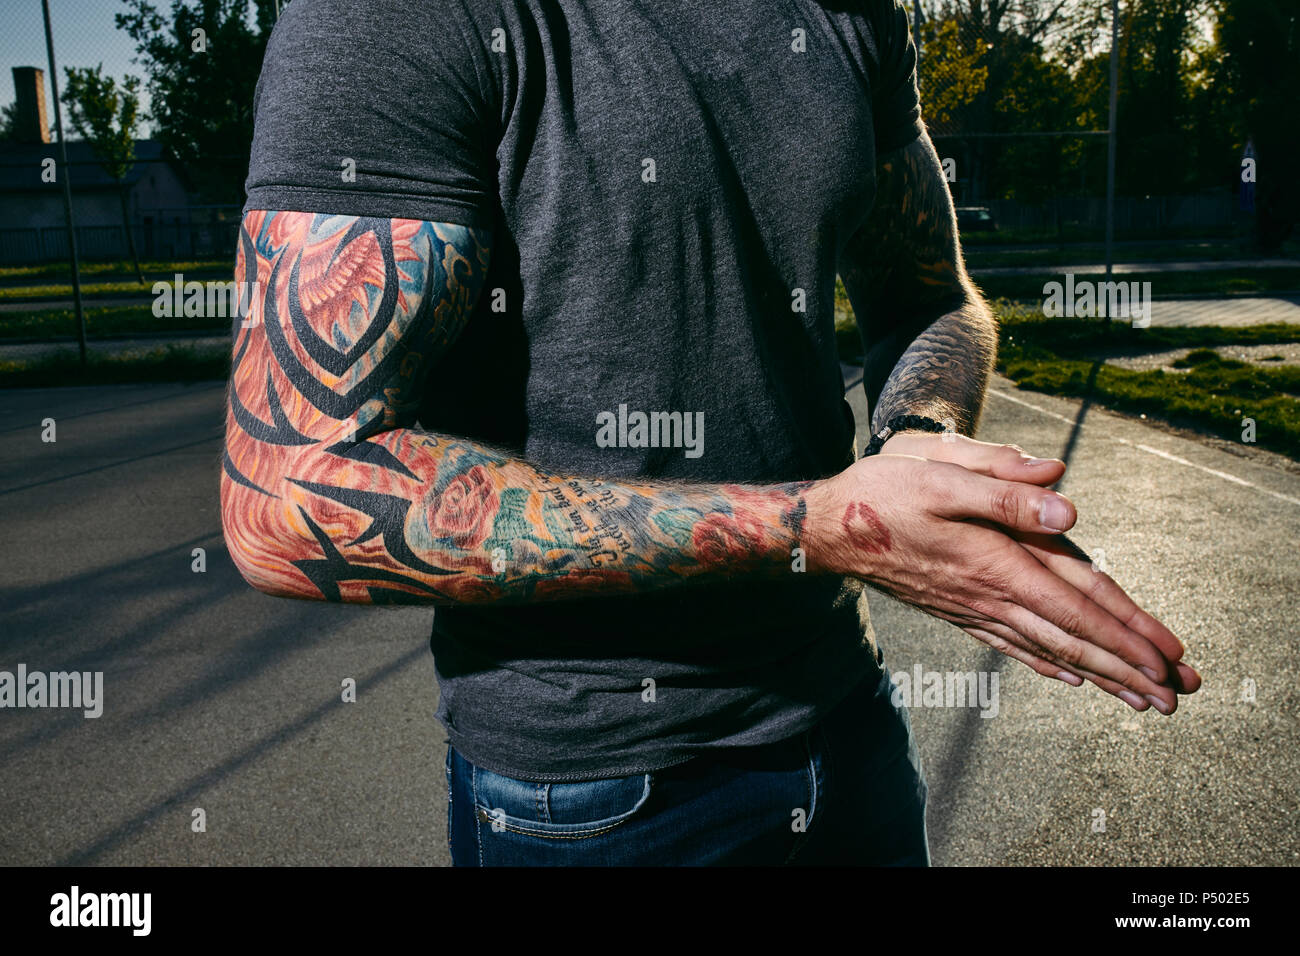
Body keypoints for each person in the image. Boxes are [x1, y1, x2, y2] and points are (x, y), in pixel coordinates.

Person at [222, 0, 1201, 866]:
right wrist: (821, 524)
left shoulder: (852, 11)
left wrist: (916, 434)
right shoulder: (395, 20)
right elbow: (289, 490)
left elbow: (935, 296)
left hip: (841, 718)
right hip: (593, 793)